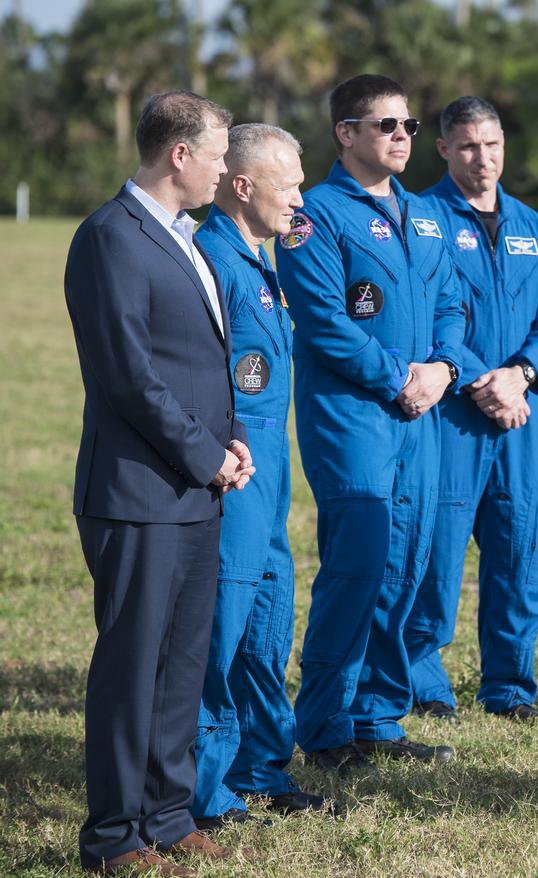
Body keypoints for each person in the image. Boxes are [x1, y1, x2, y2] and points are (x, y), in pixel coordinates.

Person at [65, 90, 254, 874]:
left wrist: (232, 437)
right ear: (180, 155)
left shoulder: (188, 238)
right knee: (132, 666)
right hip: (139, 492)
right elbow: (128, 377)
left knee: (181, 664)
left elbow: (202, 360)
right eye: (217, 156)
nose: (224, 170)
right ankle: (114, 836)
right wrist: (201, 453)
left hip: (195, 489)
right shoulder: (112, 237)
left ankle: (169, 815)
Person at [276, 74, 465, 772]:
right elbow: (323, 322)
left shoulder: (424, 214)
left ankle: (379, 718)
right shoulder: (313, 216)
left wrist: (443, 370)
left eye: (408, 126)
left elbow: (452, 302)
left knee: (407, 563)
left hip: (421, 413)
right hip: (355, 414)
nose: (401, 136)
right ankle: (326, 727)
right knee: (358, 563)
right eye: (385, 125)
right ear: (345, 134)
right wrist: (398, 378)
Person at [406, 97, 538, 723]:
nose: (484, 158)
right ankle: (425, 681)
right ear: (444, 149)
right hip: (452, 417)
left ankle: (509, 687)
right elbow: (425, 317)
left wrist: (522, 375)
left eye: (493, 144)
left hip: (520, 418)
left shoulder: (530, 225)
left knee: (519, 551)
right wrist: (482, 381)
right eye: (469, 146)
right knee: (437, 555)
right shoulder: (422, 221)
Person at [191, 123, 329, 828]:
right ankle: (206, 791)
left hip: (272, 469)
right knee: (225, 625)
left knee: (269, 623)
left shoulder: (258, 259)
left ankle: (263, 767)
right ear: (242, 187)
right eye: (292, 184)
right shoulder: (211, 259)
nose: (301, 198)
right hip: (235, 469)